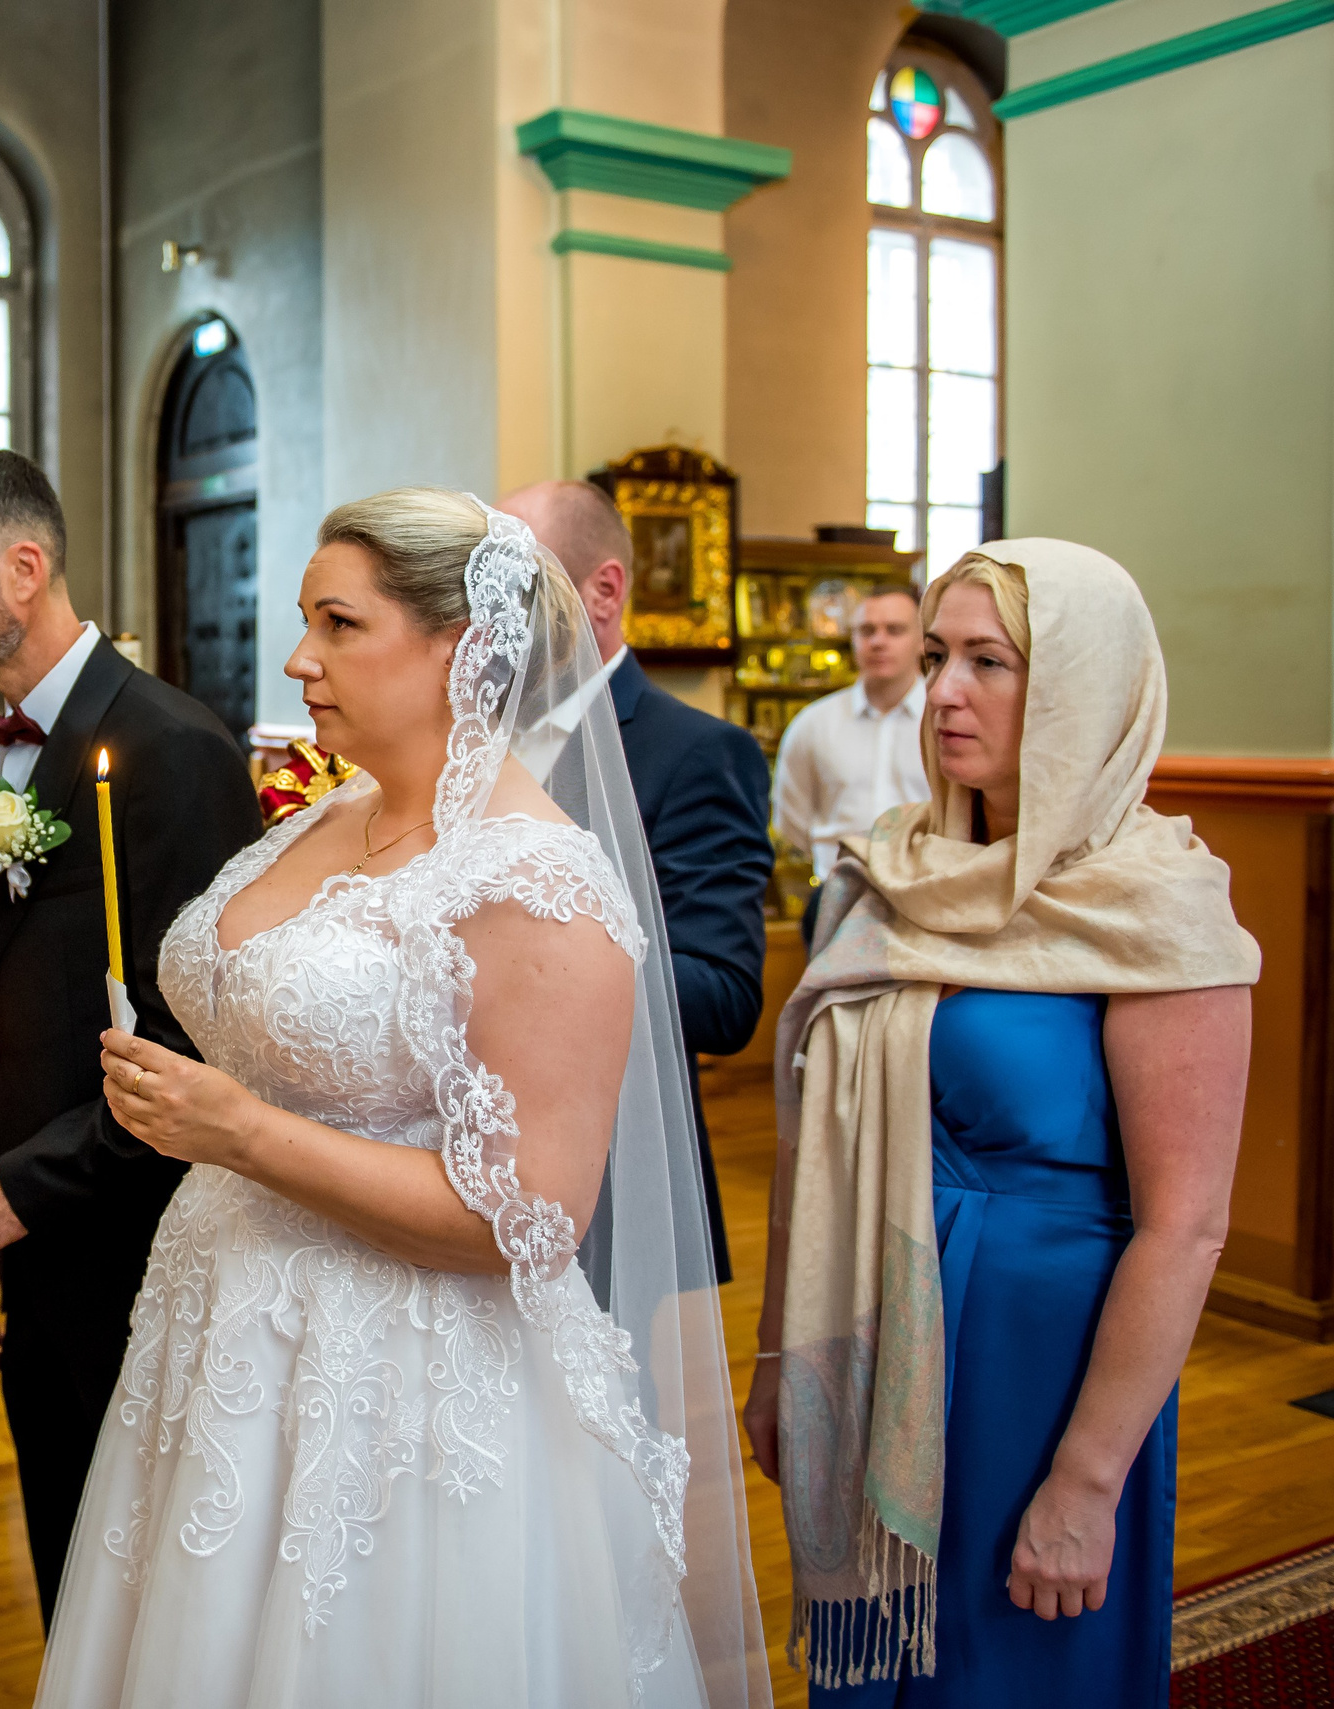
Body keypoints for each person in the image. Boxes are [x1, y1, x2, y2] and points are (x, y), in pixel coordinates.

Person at [35, 490, 765, 1707]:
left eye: (338, 623)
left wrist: (240, 1130)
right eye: (304, 619)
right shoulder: (329, 815)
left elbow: (527, 1220)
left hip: (399, 1382)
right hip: (224, 1335)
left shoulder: (535, 882)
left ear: (457, 649)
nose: (297, 658)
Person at [746, 543, 1257, 1704]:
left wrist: (1086, 1477)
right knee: (880, 1662)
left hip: (1043, 1361)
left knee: (1005, 1665)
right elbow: (813, 1141)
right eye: (936, 656)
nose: (944, 691)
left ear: (1084, 683)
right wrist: (783, 1357)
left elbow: (1185, 1226)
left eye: (990, 660)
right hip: (873, 1321)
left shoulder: (1155, 901)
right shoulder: (894, 869)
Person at [0, 447, 261, 1626]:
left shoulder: (173, 749)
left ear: (23, 568)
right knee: (70, 1563)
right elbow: (4, 1027)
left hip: (144, 1239)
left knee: (157, 1583)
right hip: (39, 1238)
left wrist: (16, 1191)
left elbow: (198, 1042)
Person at [497, 479, 772, 1282]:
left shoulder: (695, 752)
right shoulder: (467, 735)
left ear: (604, 591)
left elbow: (724, 994)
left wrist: (525, 962)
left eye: (512, 581)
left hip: (611, 1181)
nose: (482, 610)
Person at [771, 584, 928, 947]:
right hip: (837, 898)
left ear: (922, 640)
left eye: (895, 630)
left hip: (925, 897)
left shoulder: (944, 721)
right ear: (852, 638)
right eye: (866, 630)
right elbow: (792, 820)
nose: (878, 641)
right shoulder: (814, 724)